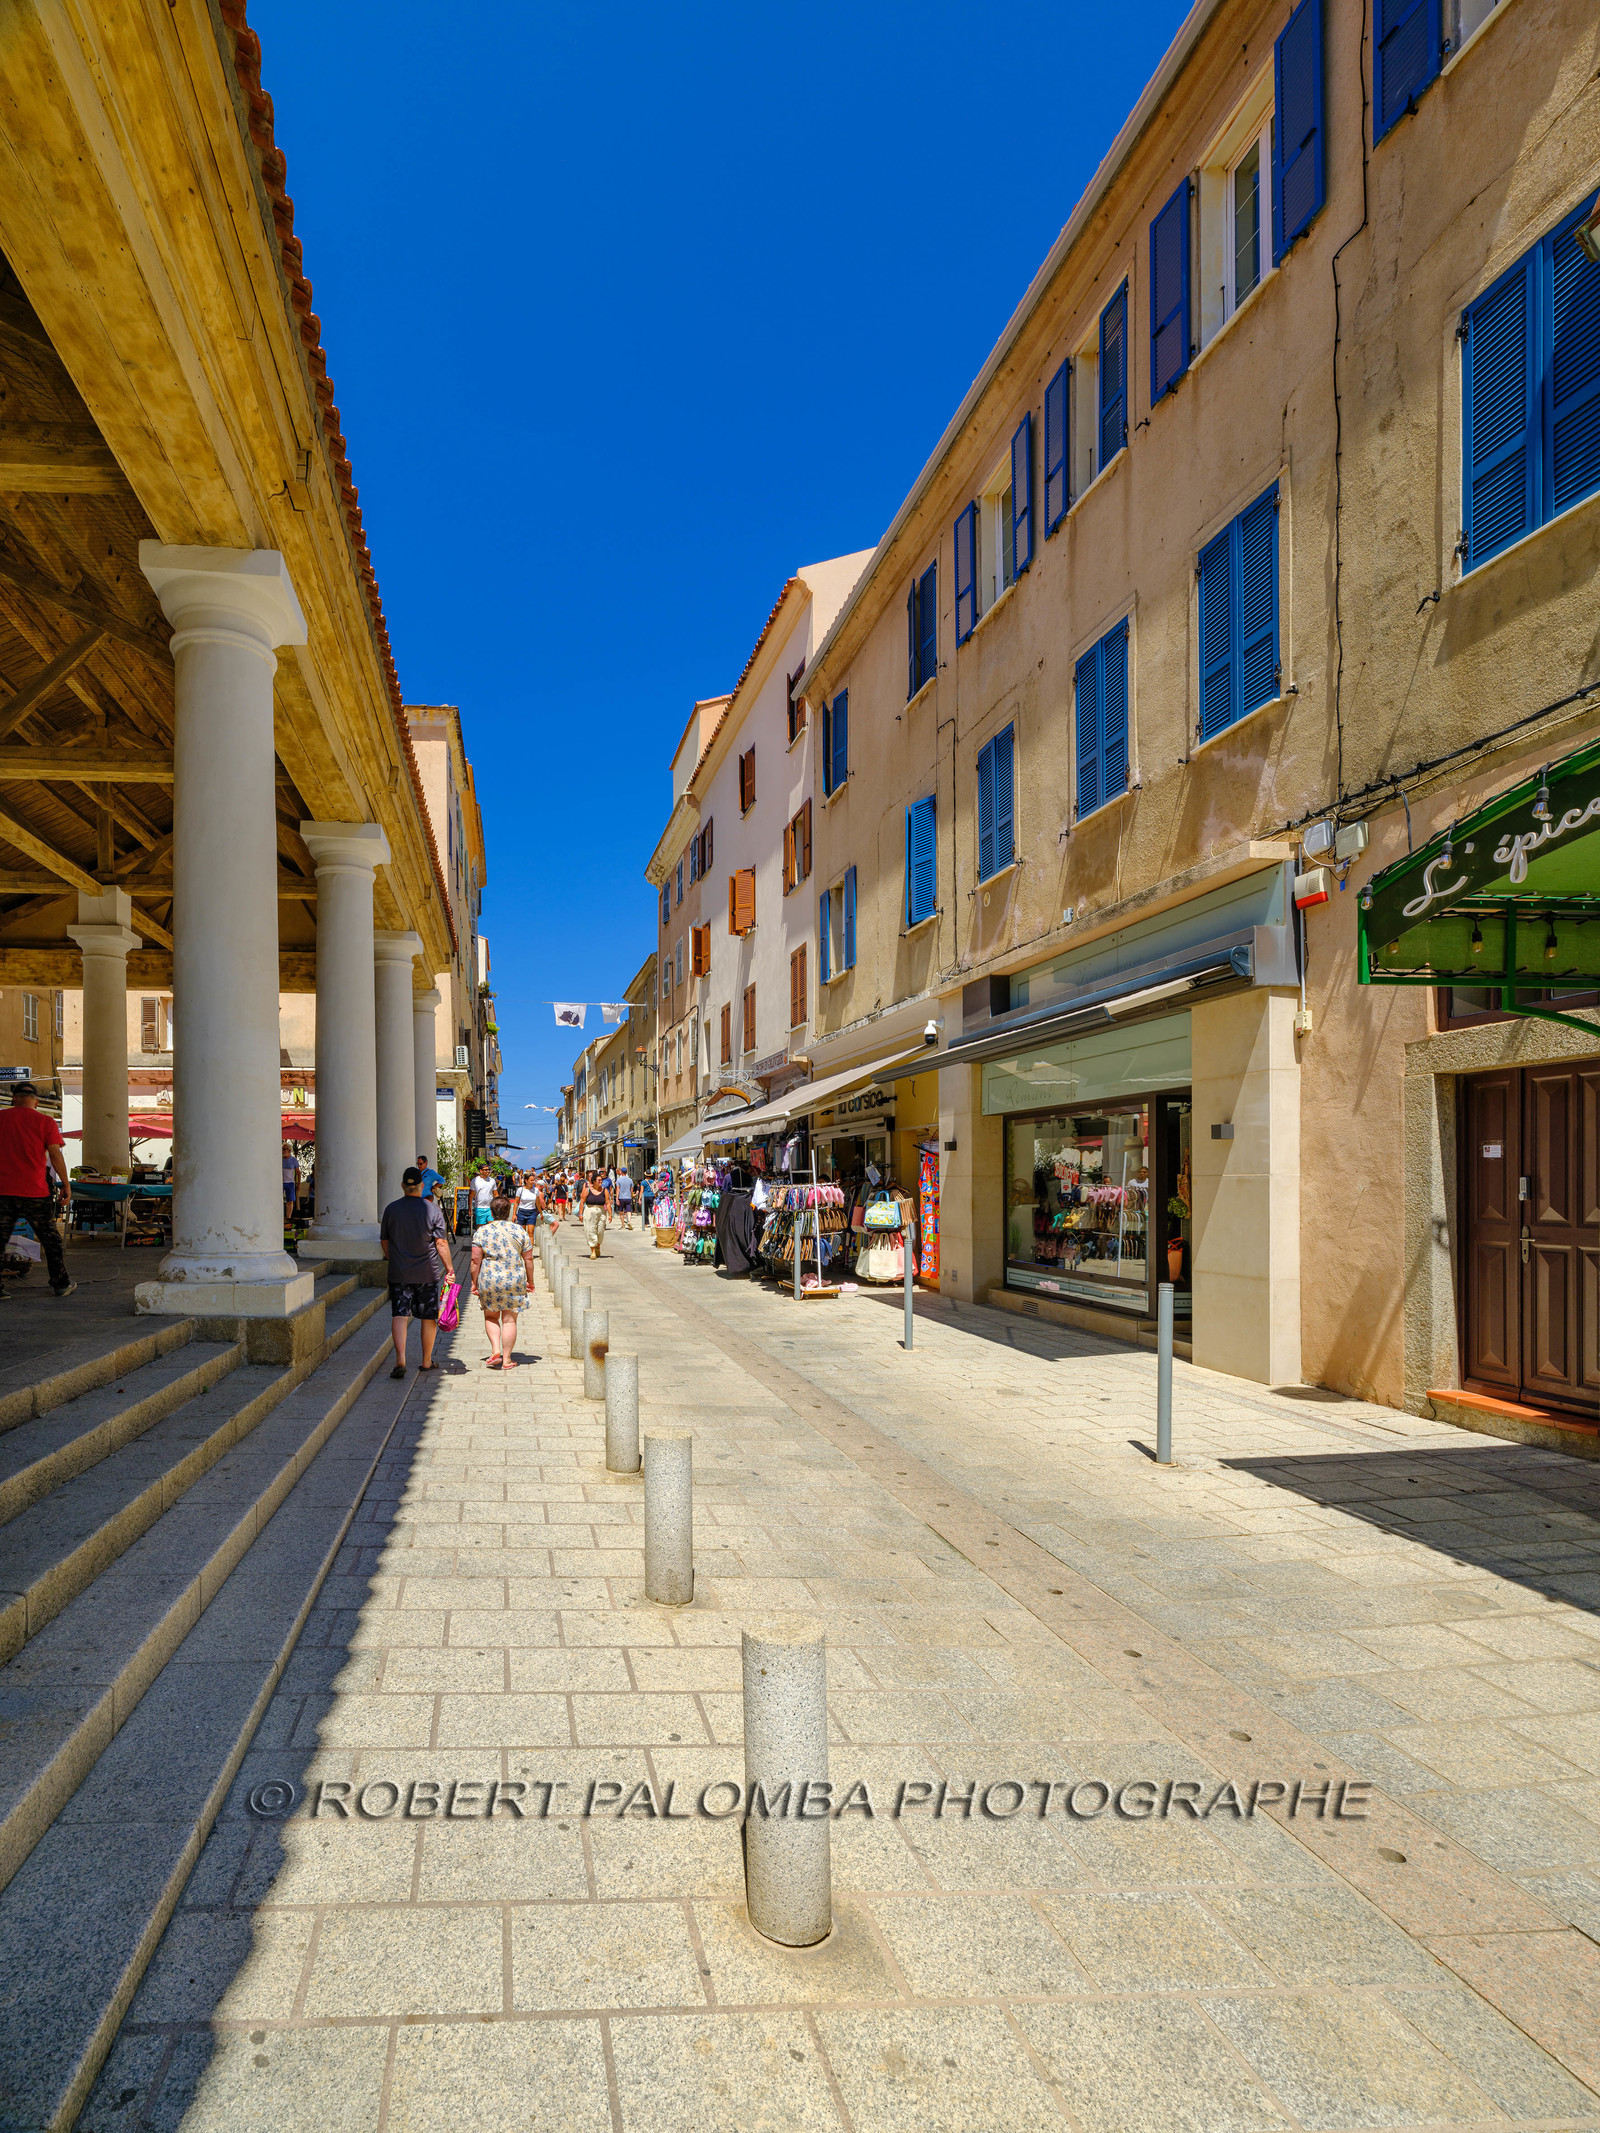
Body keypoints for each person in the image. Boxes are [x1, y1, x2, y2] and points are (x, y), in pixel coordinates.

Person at [0, 1081, 75, 1299]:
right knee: (50, 1239)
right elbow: (55, 1155)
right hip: (34, 1191)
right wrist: (66, 1184)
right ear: (37, 1101)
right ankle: (60, 1283)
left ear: (14, 1098)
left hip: (3, 1191)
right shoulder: (45, 1122)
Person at [379, 1165, 450, 1379]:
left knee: (400, 1315)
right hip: (427, 1272)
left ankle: (400, 1359)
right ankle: (426, 1361)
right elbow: (441, 1243)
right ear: (421, 1186)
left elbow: (384, 1241)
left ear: (402, 1185)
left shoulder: (391, 1209)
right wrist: (450, 1268)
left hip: (400, 1272)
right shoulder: (432, 1209)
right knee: (428, 1317)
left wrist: (395, 1259)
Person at [471, 1192, 536, 1369]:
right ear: (508, 1212)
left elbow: (475, 1260)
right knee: (509, 1320)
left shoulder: (482, 1232)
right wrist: (530, 1281)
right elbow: (528, 1260)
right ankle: (507, 1359)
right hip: (514, 1279)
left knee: (491, 1316)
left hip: (489, 1279)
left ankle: (495, 1351)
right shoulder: (519, 1231)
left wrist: (474, 1282)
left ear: (491, 1213)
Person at [580, 1168, 611, 1258]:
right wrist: (580, 1214)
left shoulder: (604, 1190)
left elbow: (608, 1202)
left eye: (601, 1180)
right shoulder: (587, 1190)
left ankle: (598, 1246)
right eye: (599, 1180)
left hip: (601, 1211)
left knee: (600, 1231)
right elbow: (582, 1201)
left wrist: (610, 1214)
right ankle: (593, 1250)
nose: (601, 1182)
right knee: (591, 1230)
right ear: (594, 1181)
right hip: (589, 1211)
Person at [471, 1160, 494, 1229]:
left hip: (490, 1208)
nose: (488, 1171)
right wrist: (470, 1208)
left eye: (489, 1169)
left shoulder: (492, 1181)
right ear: (481, 1171)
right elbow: (470, 1195)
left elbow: (495, 1194)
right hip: (479, 1208)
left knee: (492, 1227)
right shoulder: (475, 1181)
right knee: (480, 1228)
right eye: (486, 1170)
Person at [282, 1145, 298, 1221]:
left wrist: (298, 1183)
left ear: (289, 1150)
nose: (284, 1151)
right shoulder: (280, 1159)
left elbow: (298, 1172)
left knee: (290, 1201)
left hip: (290, 1182)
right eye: (283, 1149)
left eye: (285, 1149)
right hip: (281, 1182)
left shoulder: (293, 1160)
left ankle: (288, 1218)